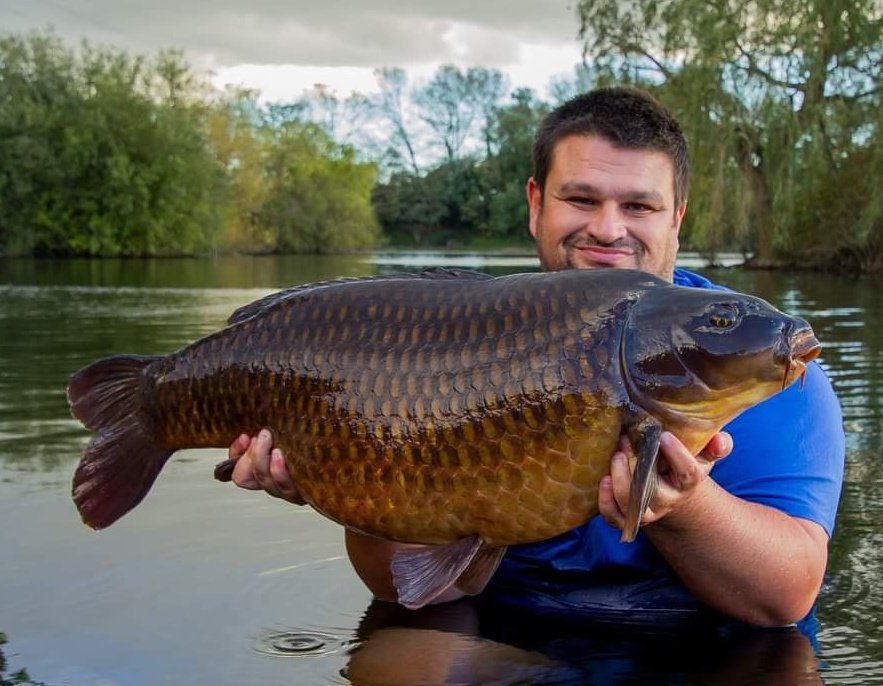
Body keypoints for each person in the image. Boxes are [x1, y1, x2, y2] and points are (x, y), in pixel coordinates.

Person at [224, 87, 845, 628]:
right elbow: (410, 589)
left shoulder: (761, 370)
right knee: (398, 663)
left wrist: (682, 507)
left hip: (703, 648)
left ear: (677, 218)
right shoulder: (444, 337)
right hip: (501, 630)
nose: (607, 229)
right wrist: (337, 480)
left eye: (638, 206)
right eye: (581, 199)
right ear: (535, 204)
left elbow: (785, 598)